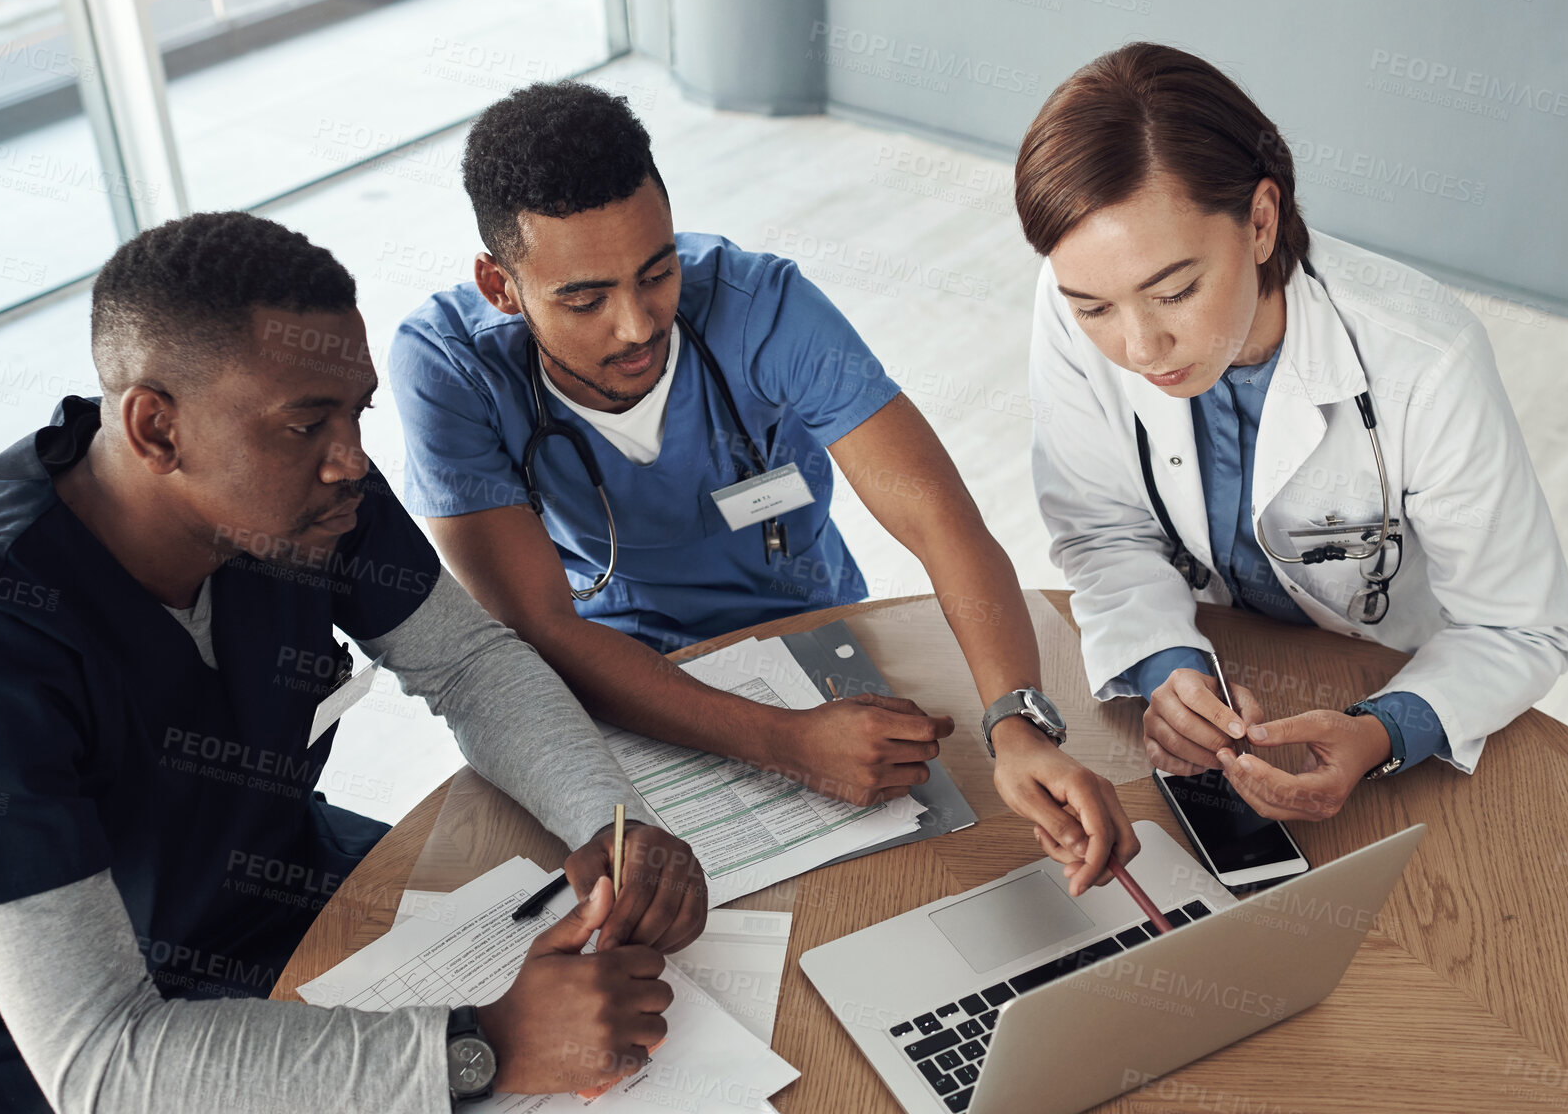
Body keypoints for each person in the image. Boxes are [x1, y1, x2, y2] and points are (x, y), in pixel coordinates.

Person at [0, 212, 706, 1114]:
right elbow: (102, 1061)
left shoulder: (308, 488)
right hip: (80, 1038)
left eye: (355, 412)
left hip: (290, 880)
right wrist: (480, 1049)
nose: (352, 460)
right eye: (307, 424)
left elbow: (468, 662)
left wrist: (610, 823)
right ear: (157, 430)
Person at [388, 80, 1136, 892]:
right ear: (500, 288)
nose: (637, 324)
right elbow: (539, 627)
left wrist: (1016, 720)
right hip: (618, 672)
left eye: (656, 272)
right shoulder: (449, 367)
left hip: (814, 629)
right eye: (584, 299)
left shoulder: (762, 305)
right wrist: (785, 742)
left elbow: (938, 520)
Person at [1014, 42, 1568, 822]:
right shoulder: (1071, 290)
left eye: (1175, 291)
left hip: (1387, 671)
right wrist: (1166, 667)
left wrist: (1383, 729)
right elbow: (1102, 532)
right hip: (1219, 653)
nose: (1137, 348)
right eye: (1093, 310)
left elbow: (1518, 627)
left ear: (1259, 220)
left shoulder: (1424, 358)